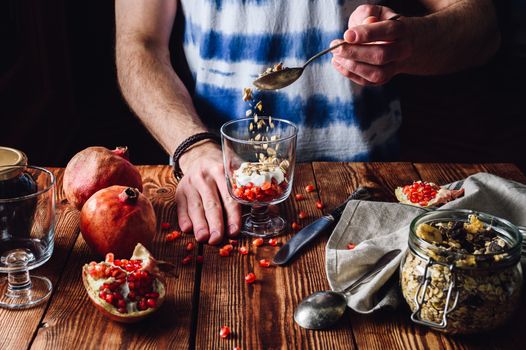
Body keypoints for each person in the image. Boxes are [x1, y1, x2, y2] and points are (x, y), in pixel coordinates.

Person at [115, 0, 500, 245]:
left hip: (369, 187)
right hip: (219, 187)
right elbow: (139, 43)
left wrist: (410, 41)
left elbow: (482, 26)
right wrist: (192, 148)